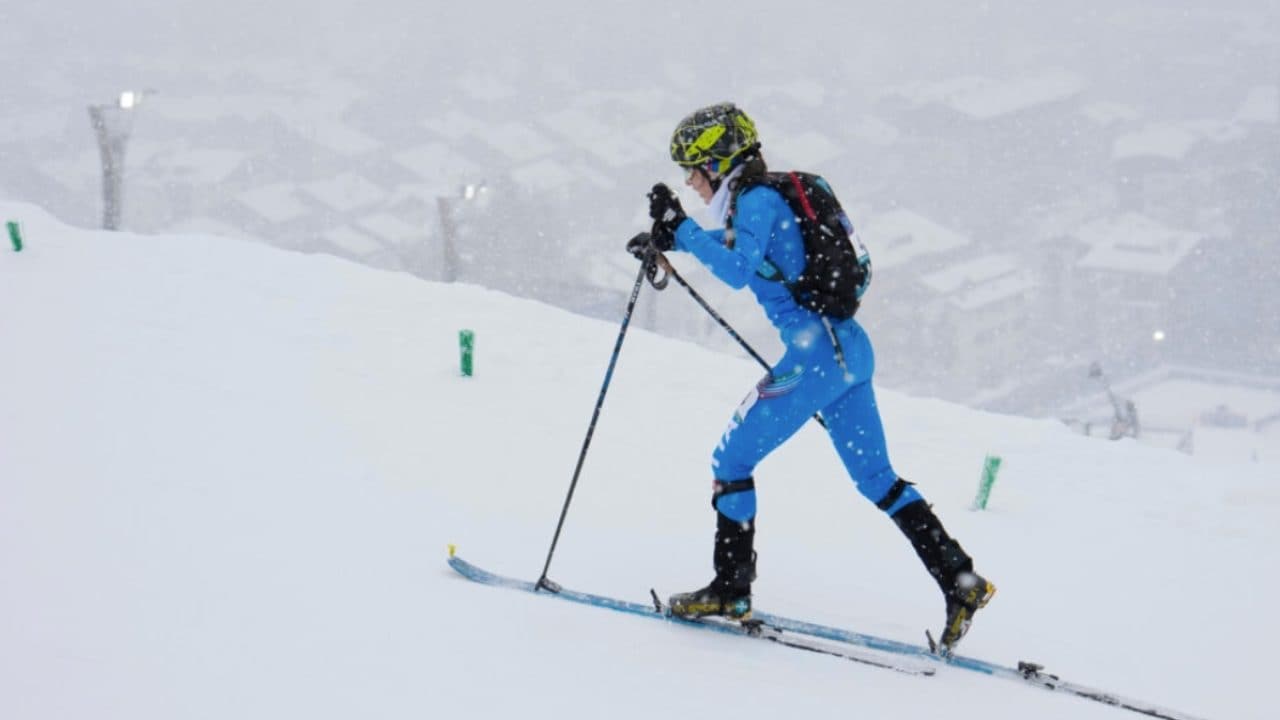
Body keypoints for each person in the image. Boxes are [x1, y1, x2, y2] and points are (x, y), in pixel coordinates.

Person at [629, 102, 995, 653]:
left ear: (719, 163)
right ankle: (961, 581)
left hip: (816, 358)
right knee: (879, 480)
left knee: (731, 461)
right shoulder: (764, 198)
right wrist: (672, 239)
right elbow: (748, 253)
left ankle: (731, 588)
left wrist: (681, 225)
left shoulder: (754, 201)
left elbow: (736, 268)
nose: (690, 182)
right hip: (849, 350)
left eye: (693, 169)